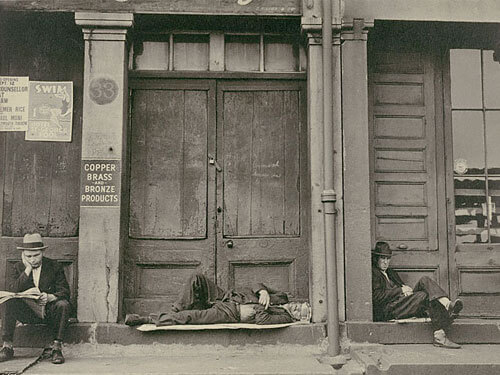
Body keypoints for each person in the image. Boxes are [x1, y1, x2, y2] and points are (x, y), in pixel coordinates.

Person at [125, 272, 308, 327]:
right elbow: (256, 282)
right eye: (300, 305)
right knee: (197, 278)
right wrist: (263, 291)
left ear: (298, 317)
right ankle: (174, 312)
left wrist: (256, 310)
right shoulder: (282, 296)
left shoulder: (284, 316)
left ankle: (149, 319)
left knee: (192, 317)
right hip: (225, 295)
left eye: (300, 311)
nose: (296, 307)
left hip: (229, 313)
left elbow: (261, 319)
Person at [372, 241, 463, 349]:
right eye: (383, 258)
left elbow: (402, 287)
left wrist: (407, 291)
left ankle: (447, 304)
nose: (386, 262)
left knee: (424, 280)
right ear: (376, 259)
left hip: (402, 302)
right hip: (390, 309)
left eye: (388, 259)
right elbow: (376, 297)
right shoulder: (374, 273)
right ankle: (441, 330)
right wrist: (400, 291)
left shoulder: (390, 272)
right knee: (424, 296)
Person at [0, 233, 71, 364]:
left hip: (48, 311)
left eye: (36, 255)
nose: (33, 259)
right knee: (8, 299)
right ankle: (7, 346)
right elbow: (12, 289)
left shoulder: (54, 266)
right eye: (29, 256)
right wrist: (27, 270)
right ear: (23, 255)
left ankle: (56, 348)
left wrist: (50, 297)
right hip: (27, 312)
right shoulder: (18, 267)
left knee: (63, 304)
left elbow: (65, 291)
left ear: (42, 252)